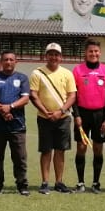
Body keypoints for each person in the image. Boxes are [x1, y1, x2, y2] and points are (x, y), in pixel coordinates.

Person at [29, 43, 77, 194]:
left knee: (60, 150)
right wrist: (46, 112)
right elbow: (33, 95)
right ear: (46, 56)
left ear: (61, 57)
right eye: (50, 54)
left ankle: (59, 182)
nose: (53, 57)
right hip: (44, 118)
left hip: (63, 118)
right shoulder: (37, 73)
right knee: (46, 150)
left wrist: (60, 111)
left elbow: (72, 96)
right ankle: (45, 182)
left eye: (56, 54)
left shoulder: (67, 74)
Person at [0, 50, 31, 196]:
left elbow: (25, 99)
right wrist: (3, 110)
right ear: (1, 62)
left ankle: (22, 185)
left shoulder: (22, 78)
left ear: (16, 62)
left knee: (20, 157)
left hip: (17, 125)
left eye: (11, 59)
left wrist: (10, 107)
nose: (8, 62)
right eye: (5, 60)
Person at [72, 38, 105, 193]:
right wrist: (76, 115)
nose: (93, 54)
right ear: (85, 53)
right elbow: (73, 95)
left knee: (98, 149)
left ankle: (96, 183)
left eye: (96, 51)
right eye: (90, 51)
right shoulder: (77, 70)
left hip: (100, 115)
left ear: (100, 53)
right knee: (81, 148)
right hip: (82, 114)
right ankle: (80, 182)